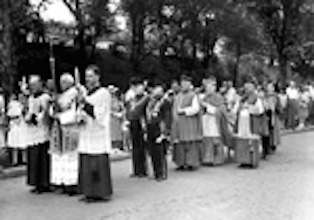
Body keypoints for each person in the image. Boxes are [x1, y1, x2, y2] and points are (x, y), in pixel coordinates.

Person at [77, 65, 113, 202]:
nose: (88, 79)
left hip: (97, 133)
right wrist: (79, 116)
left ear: (98, 77)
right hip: (86, 132)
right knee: (86, 162)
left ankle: (98, 192)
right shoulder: (86, 93)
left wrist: (85, 105)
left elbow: (101, 114)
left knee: (96, 164)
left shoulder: (103, 93)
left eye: (91, 76)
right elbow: (81, 111)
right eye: (86, 76)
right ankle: (88, 191)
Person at [49, 73, 80, 195]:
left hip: (70, 129)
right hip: (59, 130)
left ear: (70, 83)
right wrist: (53, 110)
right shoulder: (60, 96)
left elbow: (75, 112)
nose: (62, 84)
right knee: (59, 157)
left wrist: (60, 116)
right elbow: (53, 110)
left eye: (64, 82)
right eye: (61, 82)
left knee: (70, 157)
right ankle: (61, 182)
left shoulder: (74, 94)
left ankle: (72, 184)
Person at [25, 75, 51, 194]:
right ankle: (35, 183)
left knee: (41, 158)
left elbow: (46, 113)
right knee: (33, 157)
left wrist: (36, 117)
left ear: (40, 84)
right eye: (31, 85)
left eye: (35, 84)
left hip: (42, 130)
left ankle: (44, 183)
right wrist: (28, 117)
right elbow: (29, 110)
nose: (33, 87)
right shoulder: (30, 98)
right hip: (32, 131)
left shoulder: (45, 97)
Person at [172, 74, 203, 171]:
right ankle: (180, 163)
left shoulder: (193, 95)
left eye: (186, 83)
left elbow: (196, 109)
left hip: (189, 123)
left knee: (190, 143)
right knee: (179, 144)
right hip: (178, 124)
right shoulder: (178, 96)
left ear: (190, 84)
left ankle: (191, 163)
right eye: (182, 83)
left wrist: (184, 111)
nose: (184, 85)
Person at [199, 76, 232, 166]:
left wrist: (208, 107)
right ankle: (206, 158)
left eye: (210, 87)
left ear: (214, 87)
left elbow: (221, 110)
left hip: (215, 122)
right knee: (206, 139)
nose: (208, 89)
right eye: (207, 87)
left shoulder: (218, 97)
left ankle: (217, 159)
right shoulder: (203, 97)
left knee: (215, 140)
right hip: (206, 121)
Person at [233, 81, 264, 168]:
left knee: (251, 142)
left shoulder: (256, 99)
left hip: (251, 122)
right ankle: (243, 161)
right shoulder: (241, 99)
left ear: (253, 89)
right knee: (242, 141)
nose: (247, 90)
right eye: (246, 88)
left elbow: (260, 110)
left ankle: (252, 162)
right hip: (241, 123)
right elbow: (235, 109)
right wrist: (238, 108)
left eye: (249, 88)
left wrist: (248, 107)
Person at [146, 82, 172, 181]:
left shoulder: (165, 102)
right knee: (152, 152)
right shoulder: (151, 102)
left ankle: (161, 173)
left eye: (158, 89)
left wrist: (165, 132)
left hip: (160, 128)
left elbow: (167, 117)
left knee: (160, 152)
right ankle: (155, 172)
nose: (155, 91)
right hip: (150, 127)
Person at [126, 77, 150, 178]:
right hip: (133, 122)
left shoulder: (146, 98)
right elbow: (129, 110)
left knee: (141, 147)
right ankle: (136, 169)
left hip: (141, 123)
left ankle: (143, 170)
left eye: (138, 86)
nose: (137, 88)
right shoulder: (133, 98)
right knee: (135, 147)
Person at [7, 93, 28, 165]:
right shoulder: (13, 104)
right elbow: (10, 114)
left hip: (22, 124)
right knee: (14, 143)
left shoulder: (22, 105)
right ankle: (15, 161)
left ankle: (24, 159)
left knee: (23, 143)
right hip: (14, 125)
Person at [262, 82, 281, 158]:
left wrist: (275, 108)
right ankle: (268, 146)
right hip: (267, 114)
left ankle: (273, 145)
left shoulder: (276, 96)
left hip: (274, 115)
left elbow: (279, 106)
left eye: (271, 87)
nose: (269, 88)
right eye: (268, 87)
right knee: (268, 130)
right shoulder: (265, 96)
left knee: (273, 130)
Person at [109, 86, 125, 151]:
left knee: (118, 133)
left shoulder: (118, 100)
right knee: (112, 133)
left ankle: (119, 146)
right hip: (111, 119)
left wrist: (121, 114)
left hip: (117, 120)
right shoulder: (107, 100)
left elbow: (123, 109)